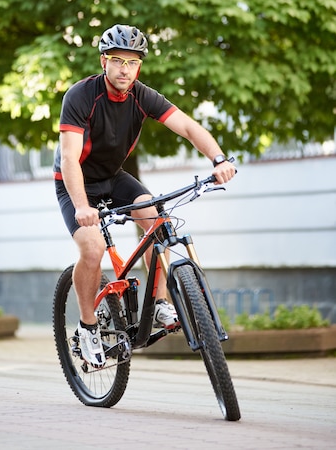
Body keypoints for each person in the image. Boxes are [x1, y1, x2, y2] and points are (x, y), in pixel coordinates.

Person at [54, 24, 236, 368]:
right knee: (92, 249)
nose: (125, 69)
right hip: (75, 182)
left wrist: (218, 158)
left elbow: (187, 126)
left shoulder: (142, 95)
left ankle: (161, 303)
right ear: (104, 61)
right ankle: (88, 326)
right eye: (118, 61)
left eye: (133, 62)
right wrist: (81, 206)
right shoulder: (80, 97)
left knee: (156, 221)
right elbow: (69, 159)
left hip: (114, 177)